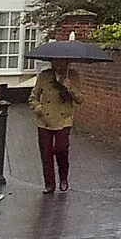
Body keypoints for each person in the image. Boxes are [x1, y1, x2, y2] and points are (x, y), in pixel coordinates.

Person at [29, 61, 76, 194]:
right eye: (55, 61)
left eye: (61, 62)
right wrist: (39, 109)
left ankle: (63, 177)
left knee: (61, 149)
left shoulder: (72, 76)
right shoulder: (44, 76)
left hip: (64, 119)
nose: (58, 65)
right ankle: (49, 184)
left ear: (66, 63)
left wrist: (70, 89)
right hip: (44, 120)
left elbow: (80, 99)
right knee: (46, 152)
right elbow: (33, 97)